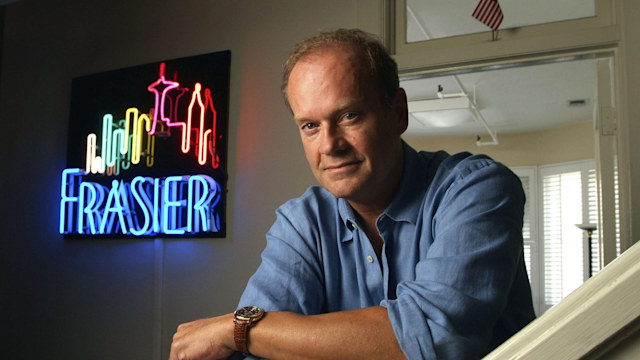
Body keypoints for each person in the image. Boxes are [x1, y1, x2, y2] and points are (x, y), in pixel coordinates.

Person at [170, 28, 535, 360]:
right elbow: (252, 354)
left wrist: (235, 328)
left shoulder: (477, 188)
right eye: (310, 126)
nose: (329, 144)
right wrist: (247, 335)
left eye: (349, 116)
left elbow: (435, 339)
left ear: (397, 113)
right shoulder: (302, 223)